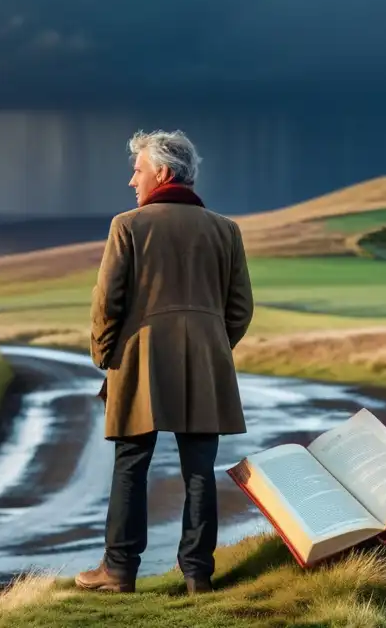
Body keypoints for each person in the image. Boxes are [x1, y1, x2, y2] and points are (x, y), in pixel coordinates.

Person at [75, 128, 254, 595]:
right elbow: (239, 310)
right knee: (200, 469)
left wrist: (106, 356)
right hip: (206, 361)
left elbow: (107, 303)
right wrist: (212, 345)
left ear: (163, 172)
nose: (132, 182)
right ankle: (197, 574)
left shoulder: (128, 226)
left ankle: (118, 571)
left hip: (141, 360)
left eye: (137, 171)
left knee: (131, 463)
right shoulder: (226, 230)